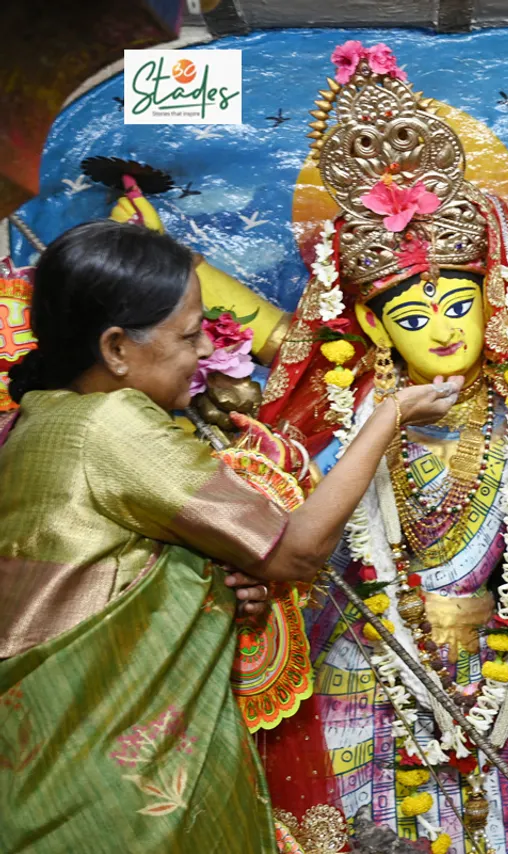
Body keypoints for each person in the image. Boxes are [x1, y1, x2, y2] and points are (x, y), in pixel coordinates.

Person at [0, 220, 459, 853]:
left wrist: (210, 583)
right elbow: (294, 552)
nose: (200, 358)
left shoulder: (41, 419)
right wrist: (390, 415)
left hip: (43, 771)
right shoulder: (112, 424)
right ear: (115, 348)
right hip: (107, 790)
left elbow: (113, 571)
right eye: (188, 337)